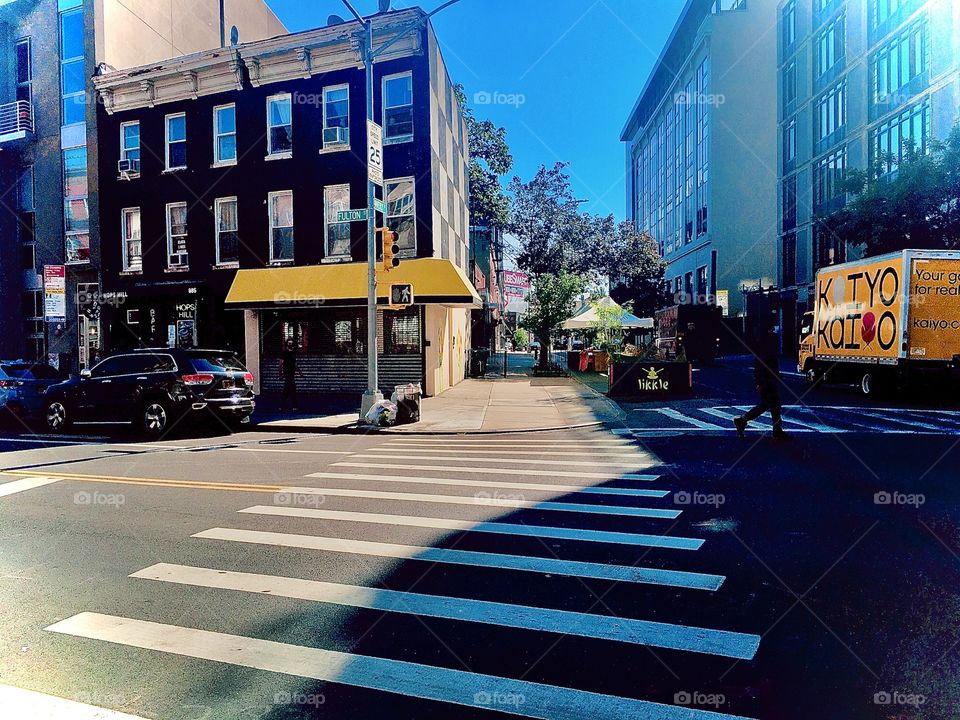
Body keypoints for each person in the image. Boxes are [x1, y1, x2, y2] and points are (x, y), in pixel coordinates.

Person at [735, 325, 788, 440]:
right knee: (773, 403)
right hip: (767, 379)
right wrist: (761, 381)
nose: (773, 331)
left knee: (768, 404)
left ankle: (743, 420)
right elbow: (762, 364)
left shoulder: (764, 343)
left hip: (767, 379)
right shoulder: (767, 345)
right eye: (771, 329)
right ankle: (776, 430)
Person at [278, 340, 302, 413]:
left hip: (292, 373)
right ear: (287, 345)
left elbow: (294, 364)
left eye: (291, 344)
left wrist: (299, 371)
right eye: (289, 344)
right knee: (292, 389)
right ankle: (294, 406)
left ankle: (282, 406)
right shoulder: (284, 353)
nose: (290, 345)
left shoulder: (293, 353)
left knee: (287, 390)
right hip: (287, 373)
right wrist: (280, 374)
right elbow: (280, 364)